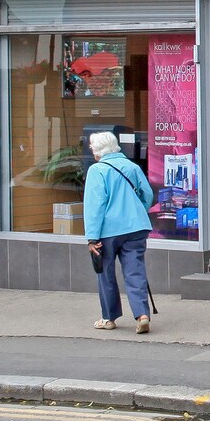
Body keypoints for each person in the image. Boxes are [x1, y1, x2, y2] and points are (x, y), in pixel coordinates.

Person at [84, 130, 157, 334]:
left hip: (108, 231)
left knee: (105, 273)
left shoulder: (97, 170)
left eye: (92, 147)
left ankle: (109, 317)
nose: (91, 150)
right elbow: (148, 194)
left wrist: (92, 237)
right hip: (136, 227)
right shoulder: (132, 167)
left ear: (98, 150)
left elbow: (94, 206)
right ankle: (142, 315)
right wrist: (137, 211)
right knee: (135, 271)